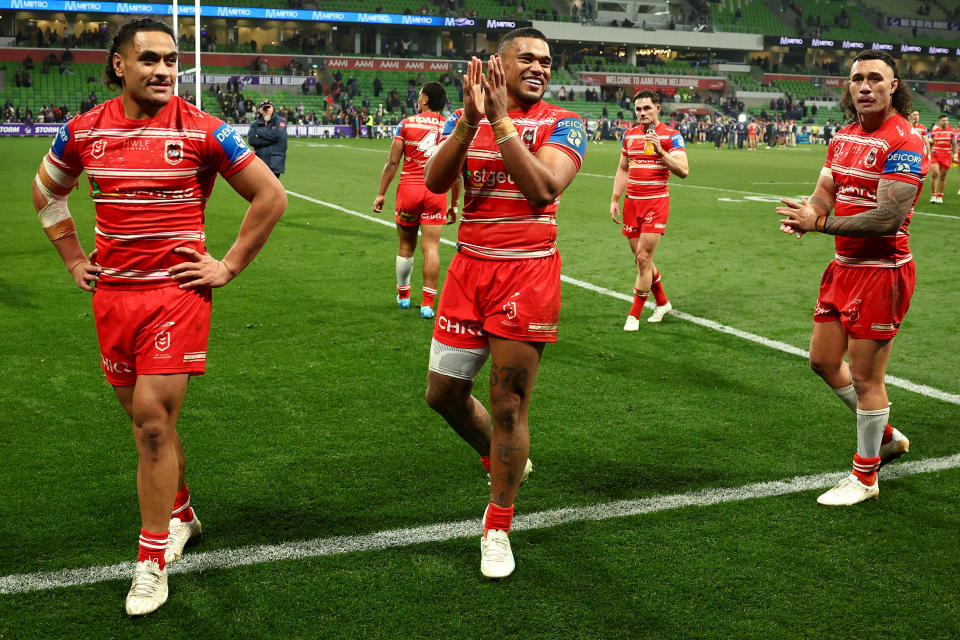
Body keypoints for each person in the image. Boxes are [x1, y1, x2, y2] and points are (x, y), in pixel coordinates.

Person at [31, 18, 286, 615]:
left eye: (171, 60)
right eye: (149, 59)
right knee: (151, 427)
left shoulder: (204, 130)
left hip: (176, 293)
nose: (164, 70)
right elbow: (46, 193)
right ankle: (181, 514)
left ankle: (149, 563)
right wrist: (73, 259)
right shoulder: (83, 131)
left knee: (150, 421)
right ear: (119, 64)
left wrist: (226, 267)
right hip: (113, 296)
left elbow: (270, 196)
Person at [422, 27, 586, 579]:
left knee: (510, 404)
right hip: (468, 269)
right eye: (528, 58)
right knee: (442, 394)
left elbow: (543, 189)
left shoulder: (566, 123)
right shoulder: (466, 116)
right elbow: (435, 181)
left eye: (546, 61)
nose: (540, 67)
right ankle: (504, 455)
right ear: (499, 64)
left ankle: (498, 524)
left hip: (527, 274)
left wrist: (499, 120)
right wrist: (470, 120)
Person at [777, 50, 925, 506]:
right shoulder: (842, 137)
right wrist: (811, 211)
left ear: (893, 86)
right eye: (857, 78)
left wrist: (819, 225)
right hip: (843, 268)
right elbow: (826, 190)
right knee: (823, 360)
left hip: (883, 272)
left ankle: (865, 478)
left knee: (865, 377)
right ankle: (884, 437)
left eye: (875, 78)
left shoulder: (905, 140)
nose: (864, 86)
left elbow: (887, 218)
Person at [373, 82, 460, 319]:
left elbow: (393, 163)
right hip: (436, 192)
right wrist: (454, 203)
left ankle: (403, 297)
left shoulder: (406, 124)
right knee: (431, 248)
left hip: (409, 190)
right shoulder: (450, 128)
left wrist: (381, 193)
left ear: (424, 101)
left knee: (405, 247)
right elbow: (456, 170)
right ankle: (427, 305)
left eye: (419, 95)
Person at [609, 89, 689, 330]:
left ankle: (634, 315)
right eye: (639, 109)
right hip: (632, 203)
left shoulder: (671, 136)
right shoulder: (629, 136)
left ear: (658, 109)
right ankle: (662, 302)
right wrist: (614, 198)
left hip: (656, 202)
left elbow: (684, 170)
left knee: (644, 258)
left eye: (647, 108)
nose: (642, 113)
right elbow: (623, 169)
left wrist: (661, 151)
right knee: (641, 260)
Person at [248, 99, 288, 179]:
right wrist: (270, 140)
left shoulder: (280, 121)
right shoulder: (255, 124)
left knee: (272, 189)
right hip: (260, 161)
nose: (267, 110)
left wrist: (259, 133)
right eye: (264, 108)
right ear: (260, 110)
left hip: (275, 162)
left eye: (269, 107)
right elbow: (252, 140)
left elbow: (277, 135)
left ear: (273, 108)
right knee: (259, 188)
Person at [927, 114, 956, 203]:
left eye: (947, 120)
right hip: (935, 154)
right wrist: (928, 153)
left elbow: (954, 143)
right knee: (935, 173)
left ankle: (940, 195)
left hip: (946, 155)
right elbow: (930, 143)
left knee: (943, 176)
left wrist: (955, 154)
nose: (946, 122)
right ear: (939, 121)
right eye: (944, 120)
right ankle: (933, 195)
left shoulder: (951, 132)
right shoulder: (934, 131)